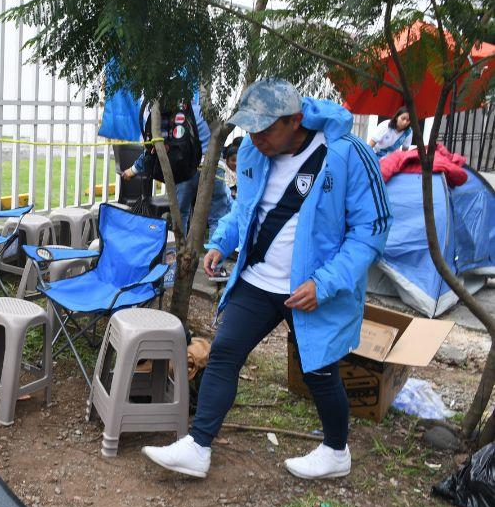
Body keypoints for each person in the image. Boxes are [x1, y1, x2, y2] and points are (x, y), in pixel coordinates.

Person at [142, 79, 390, 480]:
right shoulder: (256, 155)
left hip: (312, 288)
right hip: (258, 280)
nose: (255, 140)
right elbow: (246, 211)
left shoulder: (346, 154)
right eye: (250, 130)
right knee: (224, 353)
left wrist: (324, 284)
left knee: (319, 371)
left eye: (265, 130)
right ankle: (198, 446)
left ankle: (336, 451)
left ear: (294, 120)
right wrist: (221, 243)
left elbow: (371, 231)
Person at [121, 95, 231, 238]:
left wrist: (134, 169)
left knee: (181, 217)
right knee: (217, 219)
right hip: (214, 168)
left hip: (185, 171)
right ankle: (215, 259)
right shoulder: (205, 111)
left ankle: (179, 256)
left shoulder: (169, 116)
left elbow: (155, 147)